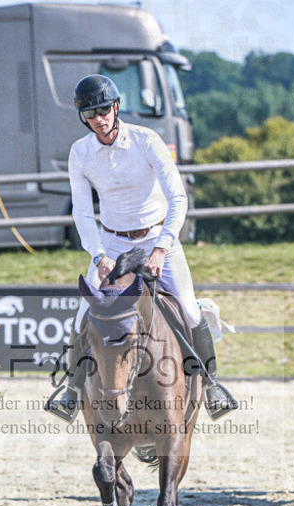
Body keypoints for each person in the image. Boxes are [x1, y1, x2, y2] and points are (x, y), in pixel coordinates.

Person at [45, 74, 238, 422]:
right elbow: (82, 211)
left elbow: (178, 198)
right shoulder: (80, 153)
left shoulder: (146, 140)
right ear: (83, 117)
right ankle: (72, 392)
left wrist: (162, 247)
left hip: (157, 238)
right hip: (112, 243)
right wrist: (98, 255)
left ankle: (212, 386)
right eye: (91, 113)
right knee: (81, 315)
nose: (99, 118)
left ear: (116, 107)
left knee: (191, 310)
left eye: (104, 110)